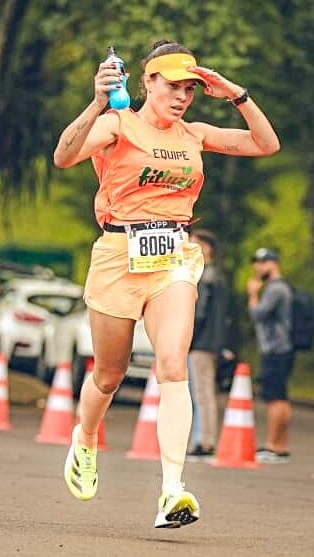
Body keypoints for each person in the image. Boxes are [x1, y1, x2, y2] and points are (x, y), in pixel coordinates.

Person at [53, 38, 280, 528]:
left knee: (173, 364)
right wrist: (96, 103)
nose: (181, 97)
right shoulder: (117, 124)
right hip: (118, 255)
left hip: (173, 255)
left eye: (190, 89)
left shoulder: (194, 134)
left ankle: (172, 489)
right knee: (109, 375)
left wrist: (235, 94)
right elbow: (64, 157)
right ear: (147, 82)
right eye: (173, 86)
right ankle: (85, 438)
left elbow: (266, 144)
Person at [246, 247, 294, 464]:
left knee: (274, 399)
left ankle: (272, 445)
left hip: (274, 349)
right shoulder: (283, 288)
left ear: (274, 264)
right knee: (281, 397)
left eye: (262, 262)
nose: (257, 267)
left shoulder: (276, 289)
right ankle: (281, 445)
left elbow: (257, 314)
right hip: (284, 348)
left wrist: (253, 294)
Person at [186, 229, 229, 462]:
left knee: (201, 393)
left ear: (206, 248)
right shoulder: (219, 276)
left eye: (194, 245)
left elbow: (199, 312)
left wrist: (187, 337)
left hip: (201, 342)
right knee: (206, 392)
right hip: (211, 342)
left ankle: (204, 440)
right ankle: (203, 438)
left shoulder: (203, 277)